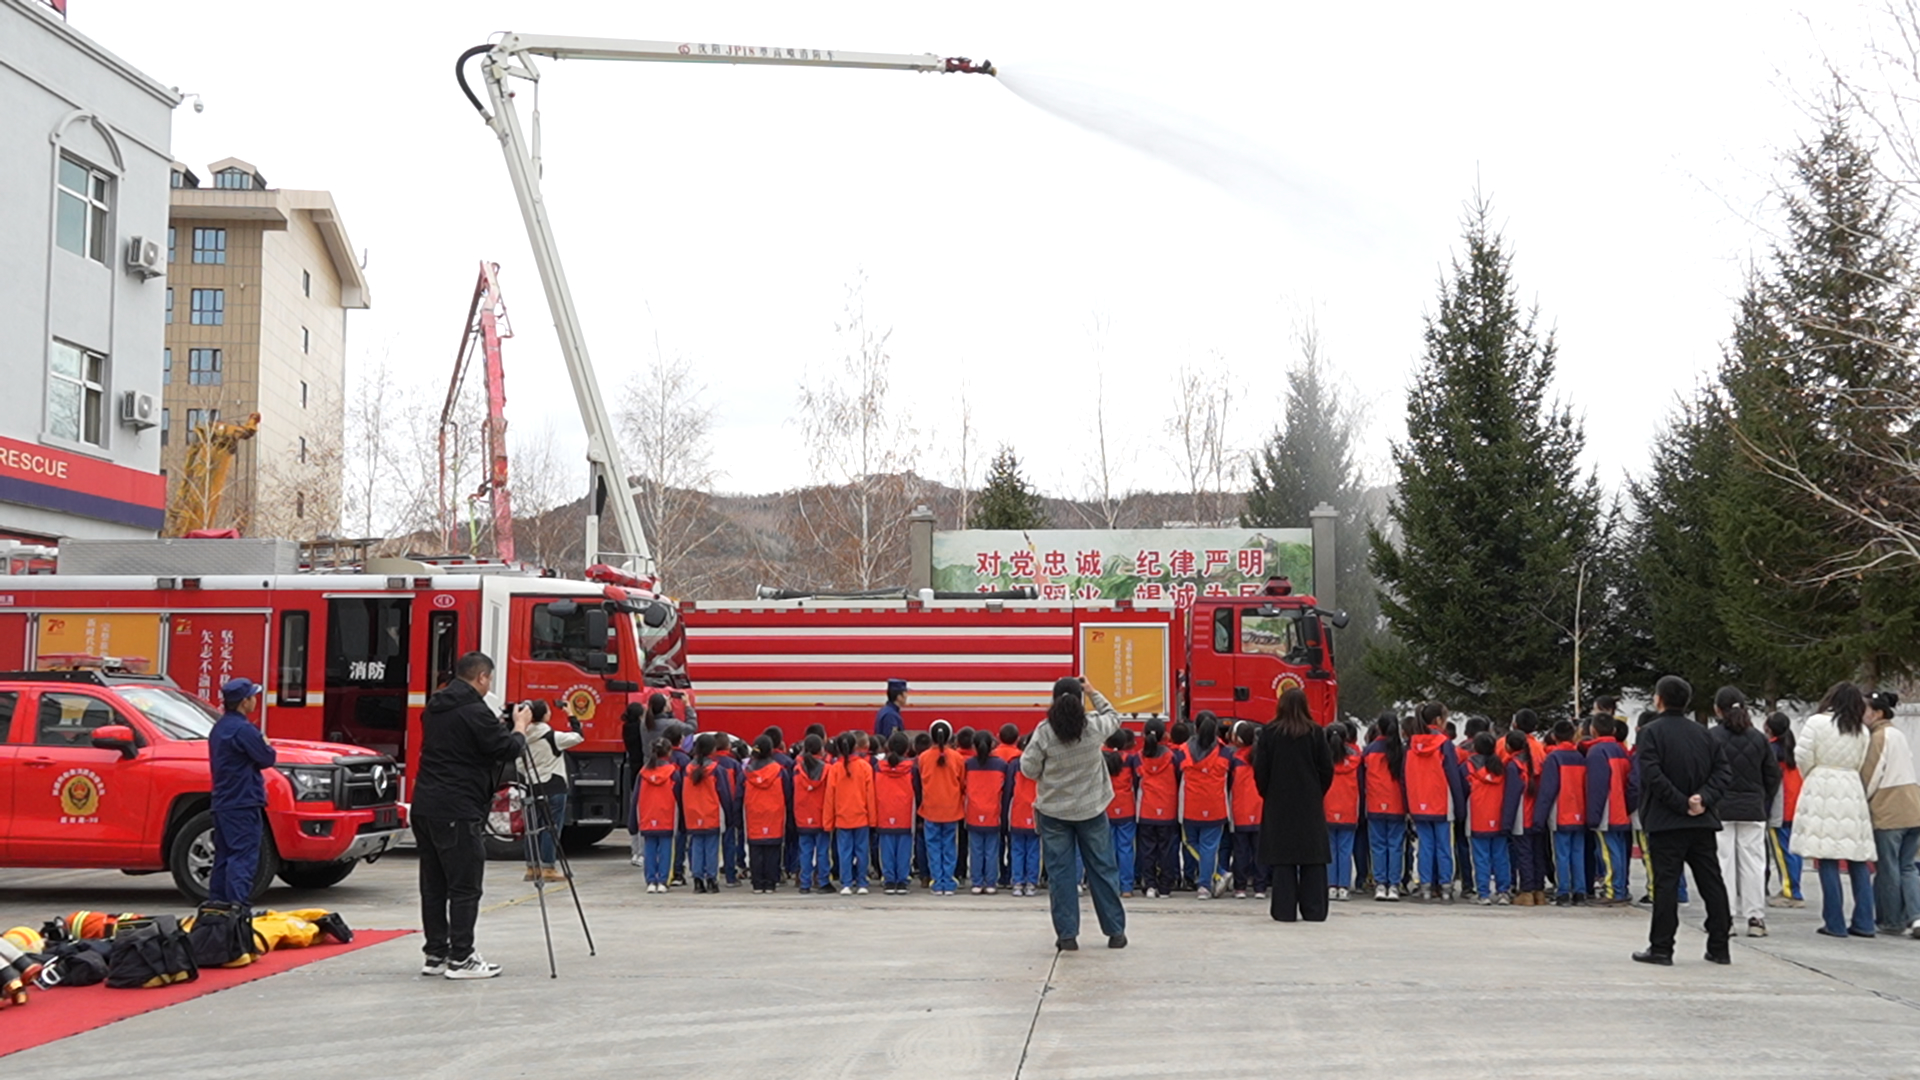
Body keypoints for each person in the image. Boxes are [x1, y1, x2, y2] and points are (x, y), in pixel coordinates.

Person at [412, 651, 531, 979]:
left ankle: (435, 953)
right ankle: (462, 958)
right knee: (465, 886)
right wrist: (520, 726)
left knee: (434, 885)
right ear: (481, 677)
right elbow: (507, 749)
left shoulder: (435, 706)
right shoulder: (474, 711)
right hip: (457, 806)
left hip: (425, 805)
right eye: (488, 679)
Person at [1020, 677, 1129, 951]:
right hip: (1092, 810)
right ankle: (1115, 932)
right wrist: (1092, 691)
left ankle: (1067, 936)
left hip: (1054, 813)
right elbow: (1114, 717)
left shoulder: (1045, 732)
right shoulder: (1092, 727)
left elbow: (1028, 769)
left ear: (1054, 700)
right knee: (1103, 869)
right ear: (1080, 699)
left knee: (1061, 874)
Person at [1633, 675, 1734, 967]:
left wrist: (1681, 803)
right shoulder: (1705, 735)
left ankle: (1662, 947)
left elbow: (1652, 775)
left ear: (1659, 699)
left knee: (1666, 884)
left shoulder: (1650, 733)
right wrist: (1703, 799)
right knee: (1711, 882)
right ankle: (1720, 946)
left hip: (1666, 821)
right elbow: (1723, 772)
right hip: (1701, 820)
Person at [1792, 682, 1878, 938]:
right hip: (1852, 788)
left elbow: (1803, 756)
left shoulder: (1817, 723)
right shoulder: (1861, 730)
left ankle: (1834, 922)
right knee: (1857, 857)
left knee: (1826, 856)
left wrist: (1814, 775)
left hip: (1822, 786)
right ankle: (1864, 922)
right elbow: (1861, 762)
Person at [1253, 688, 1335, 922]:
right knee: (1313, 857)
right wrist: (1316, 792)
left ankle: (1284, 910)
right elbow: (1327, 769)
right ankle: (1314, 909)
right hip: (1309, 802)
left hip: (1279, 803)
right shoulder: (1315, 732)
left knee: (1283, 859)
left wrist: (1269, 793)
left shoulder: (1269, 733)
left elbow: (1260, 769)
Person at [1708, 687, 1779, 937]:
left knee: (1722, 863)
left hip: (1720, 808)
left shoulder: (1712, 737)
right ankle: (1755, 918)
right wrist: (1762, 798)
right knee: (1753, 864)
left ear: (1717, 710)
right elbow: (1772, 775)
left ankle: (1724, 918)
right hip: (1753, 808)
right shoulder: (1759, 738)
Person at [208, 677, 276, 906]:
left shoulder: (219, 728)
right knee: (243, 856)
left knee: (223, 856)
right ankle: (238, 908)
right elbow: (267, 758)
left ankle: (218, 907)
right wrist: (265, 743)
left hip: (222, 801)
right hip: (243, 800)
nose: (255, 700)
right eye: (252, 696)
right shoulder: (244, 730)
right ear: (244, 702)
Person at [1861, 690, 1920, 937]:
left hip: (1889, 810)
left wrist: (1861, 801)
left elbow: (1871, 775)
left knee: (1888, 868)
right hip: (1913, 806)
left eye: (1864, 710)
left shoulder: (1879, 737)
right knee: (1908, 866)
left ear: (1877, 713)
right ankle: (1916, 917)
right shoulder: (1898, 734)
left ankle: (1891, 920)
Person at [1403, 704, 1466, 902]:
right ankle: (1445, 887)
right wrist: (1460, 806)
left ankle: (1426, 886)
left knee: (1425, 846)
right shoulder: (1444, 744)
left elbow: (1405, 776)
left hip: (1418, 802)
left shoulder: (1412, 744)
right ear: (1439, 720)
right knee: (1444, 846)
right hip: (1441, 803)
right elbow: (1453, 776)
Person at [521, 700, 584, 884]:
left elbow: (518, 764)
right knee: (551, 827)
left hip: (532, 785)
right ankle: (548, 868)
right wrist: (571, 714)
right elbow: (578, 737)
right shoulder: (552, 736)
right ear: (545, 715)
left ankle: (532, 868)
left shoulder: (523, 737)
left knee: (532, 828)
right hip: (553, 785)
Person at [1535, 720, 1590, 906]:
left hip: (1561, 813)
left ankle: (1563, 891)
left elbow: (1548, 790)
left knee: (1561, 854)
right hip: (1580, 811)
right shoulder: (1581, 757)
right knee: (1578, 853)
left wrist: (1539, 817)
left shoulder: (1554, 758)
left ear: (1554, 736)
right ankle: (1580, 891)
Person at [1585, 716, 1636, 905]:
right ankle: (1621, 887)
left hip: (1607, 809)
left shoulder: (1597, 751)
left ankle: (1613, 891)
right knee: (1619, 849)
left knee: (1607, 851)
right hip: (1621, 807)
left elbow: (1597, 786)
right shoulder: (1620, 750)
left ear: (1593, 730)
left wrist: (1593, 815)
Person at [1180, 716, 1232, 899]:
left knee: (1190, 842)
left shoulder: (1184, 751)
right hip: (1216, 806)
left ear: (1195, 728)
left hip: (1191, 806)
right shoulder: (1225, 752)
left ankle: (1217, 874)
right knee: (1210, 847)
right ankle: (1206, 884)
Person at [1466, 732, 1519, 905]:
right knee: (1501, 856)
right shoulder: (1502, 767)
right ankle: (1503, 891)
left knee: (1481, 857)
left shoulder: (1470, 765)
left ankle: (1483, 893)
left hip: (1478, 816)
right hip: (1498, 816)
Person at [1361, 712, 1409, 901]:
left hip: (1375, 803)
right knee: (1396, 845)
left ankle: (1380, 884)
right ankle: (1394, 885)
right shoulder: (1402, 751)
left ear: (1378, 728)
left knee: (1378, 845)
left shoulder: (1369, 751)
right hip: (1397, 804)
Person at [1134, 719, 1182, 899]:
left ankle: (1150, 884)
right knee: (1166, 850)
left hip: (1146, 810)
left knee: (1147, 850)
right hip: (1167, 810)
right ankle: (1165, 887)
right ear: (1164, 735)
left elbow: (1135, 783)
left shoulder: (1138, 757)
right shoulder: (1172, 757)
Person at [826, 731, 878, 895]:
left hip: (842, 817)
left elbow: (830, 797)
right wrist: (873, 819)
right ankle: (862, 882)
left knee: (844, 852)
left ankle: (846, 883)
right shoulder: (865, 767)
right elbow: (870, 795)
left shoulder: (835, 769)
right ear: (856, 746)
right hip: (861, 816)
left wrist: (828, 821)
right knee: (862, 851)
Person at [917, 721, 966, 895]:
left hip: (931, 808)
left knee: (933, 846)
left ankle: (937, 882)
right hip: (952, 808)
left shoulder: (923, 757)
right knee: (949, 845)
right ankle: (948, 880)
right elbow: (962, 783)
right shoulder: (957, 758)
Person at [964, 731, 1013, 895]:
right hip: (993, 812)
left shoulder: (969, 764)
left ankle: (977, 882)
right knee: (991, 850)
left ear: (974, 746)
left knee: (976, 850)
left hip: (973, 812)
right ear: (992, 745)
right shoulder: (1001, 765)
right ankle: (991, 882)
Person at [1765, 712, 1805, 908]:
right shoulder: (1794, 749)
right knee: (1794, 849)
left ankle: (1791, 891)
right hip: (1795, 803)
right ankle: (1794, 887)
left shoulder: (1771, 750)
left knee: (1781, 851)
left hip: (1779, 806)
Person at [743, 735, 792, 894]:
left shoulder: (747, 772)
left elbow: (738, 795)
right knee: (773, 850)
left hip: (754, 814)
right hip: (774, 815)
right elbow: (788, 794)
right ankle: (771, 883)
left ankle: (757, 883)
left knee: (756, 850)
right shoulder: (779, 771)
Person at [1232, 722, 1274, 900]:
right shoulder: (1263, 757)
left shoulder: (1235, 758)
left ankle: (1240, 886)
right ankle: (1260, 887)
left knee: (1241, 851)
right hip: (1260, 809)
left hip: (1240, 810)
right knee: (1260, 851)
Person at [1503, 731, 1545, 905]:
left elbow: (1511, 796)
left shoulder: (1514, 765)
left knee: (1524, 855)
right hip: (1537, 814)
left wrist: (1506, 822)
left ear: (1508, 746)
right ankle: (1539, 891)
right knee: (1538, 854)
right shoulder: (1536, 762)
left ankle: (1526, 892)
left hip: (1522, 816)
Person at [634, 737, 682, 893]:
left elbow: (635, 798)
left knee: (649, 849)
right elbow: (679, 797)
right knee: (666, 850)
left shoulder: (643, 773)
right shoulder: (672, 772)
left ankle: (650, 881)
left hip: (647, 816)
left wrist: (633, 821)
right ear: (669, 752)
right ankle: (663, 881)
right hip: (666, 816)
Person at [873, 732, 918, 895]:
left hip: (884, 812)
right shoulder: (911, 768)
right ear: (907, 749)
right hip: (905, 814)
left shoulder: (878, 768)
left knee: (886, 849)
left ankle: (889, 880)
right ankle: (902, 880)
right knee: (905, 849)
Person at [1321, 724, 1361, 901]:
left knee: (1330, 849)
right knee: (1345, 849)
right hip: (1349, 809)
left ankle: (1331, 885)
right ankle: (1343, 886)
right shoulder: (1355, 759)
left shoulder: (1322, 760)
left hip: (1327, 808)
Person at [682, 734, 725, 894]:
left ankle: (698, 880)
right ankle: (712, 880)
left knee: (696, 847)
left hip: (693, 814)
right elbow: (724, 793)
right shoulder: (715, 769)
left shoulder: (688, 769)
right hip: (711, 813)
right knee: (712, 848)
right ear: (712, 749)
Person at [791, 735, 832, 894]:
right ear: (821, 749)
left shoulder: (797, 769)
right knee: (822, 850)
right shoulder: (827, 769)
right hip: (821, 814)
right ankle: (823, 881)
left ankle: (804, 883)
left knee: (805, 851)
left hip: (802, 814)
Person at [1104, 730, 1141, 898]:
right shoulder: (1130, 759)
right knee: (1126, 848)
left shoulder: (1101, 759)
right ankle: (1127, 886)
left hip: (1106, 806)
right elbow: (1137, 781)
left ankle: (1111, 885)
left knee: (1109, 848)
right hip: (1126, 807)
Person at [1010, 744, 1043, 897]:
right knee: (1033, 851)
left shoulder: (1015, 764)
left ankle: (1018, 882)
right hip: (1035, 810)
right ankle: (1031, 883)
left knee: (1017, 850)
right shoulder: (1042, 764)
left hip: (1018, 811)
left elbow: (1009, 790)